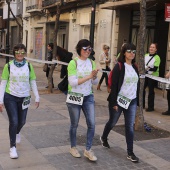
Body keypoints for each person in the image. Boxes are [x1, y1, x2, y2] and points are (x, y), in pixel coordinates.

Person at [100, 43, 139, 163]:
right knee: (112, 122)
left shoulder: (135, 67)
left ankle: (130, 152)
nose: (132, 53)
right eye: (129, 51)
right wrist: (114, 103)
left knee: (129, 127)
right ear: (124, 53)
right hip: (118, 100)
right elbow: (114, 86)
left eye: (133, 51)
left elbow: (137, 85)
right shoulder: (119, 66)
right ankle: (104, 137)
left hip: (131, 101)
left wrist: (137, 101)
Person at [0, 43, 40, 159]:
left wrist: (37, 96)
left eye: (22, 52)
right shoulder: (8, 66)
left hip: (24, 97)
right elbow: (3, 83)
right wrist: (0, 100)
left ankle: (17, 132)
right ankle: (12, 147)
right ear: (14, 53)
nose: (20, 54)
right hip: (10, 97)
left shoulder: (28, 66)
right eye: (18, 52)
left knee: (22, 121)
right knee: (14, 121)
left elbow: (32, 81)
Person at [66, 39, 98, 161]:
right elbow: (73, 82)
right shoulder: (73, 63)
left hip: (88, 96)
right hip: (75, 96)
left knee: (92, 123)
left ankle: (88, 149)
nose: (88, 51)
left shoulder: (91, 62)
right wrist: (89, 76)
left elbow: (94, 82)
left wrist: (94, 76)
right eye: (85, 49)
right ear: (79, 49)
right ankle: (73, 147)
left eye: (90, 49)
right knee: (74, 124)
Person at [143, 43, 160, 112]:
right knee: (141, 89)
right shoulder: (146, 55)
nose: (151, 48)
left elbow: (155, 68)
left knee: (151, 91)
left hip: (153, 76)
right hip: (145, 75)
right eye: (150, 47)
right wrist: (148, 68)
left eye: (153, 47)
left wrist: (147, 68)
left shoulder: (157, 57)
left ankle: (150, 107)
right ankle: (142, 104)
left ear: (156, 49)